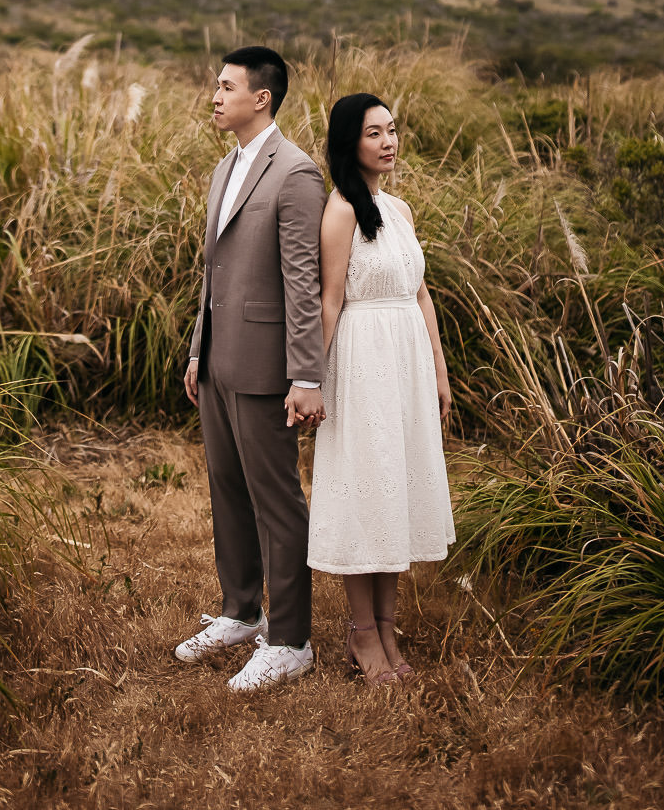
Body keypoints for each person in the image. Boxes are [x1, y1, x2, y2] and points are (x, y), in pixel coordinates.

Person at [174, 46, 326, 692]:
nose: (215, 94)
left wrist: (306, 374)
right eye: (216, 84)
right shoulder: (222, 167)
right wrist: (196, 351)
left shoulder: (295, 173)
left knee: (277, 500)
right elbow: (214, 275)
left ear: (261, 96)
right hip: (217, 359)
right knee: (226, 488)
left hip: (267, 366)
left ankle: (290, 638)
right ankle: (240, 610)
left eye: (226, 85)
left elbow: (303, 280)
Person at [307, 93, 455, 684]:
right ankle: (361, 634)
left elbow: (421, 294)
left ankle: (388, 628)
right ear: (351, 143)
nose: (388, 141)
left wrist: (440, 373)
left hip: (408, 363)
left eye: (392, 130)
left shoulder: (401, 209)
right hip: (362, 362)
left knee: (395, 490)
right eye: (374, 133)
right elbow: (330, 301)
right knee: (366, 489)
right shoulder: (341, 210)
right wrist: (308, 380)